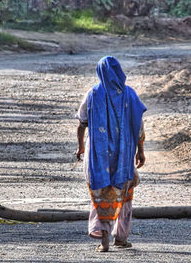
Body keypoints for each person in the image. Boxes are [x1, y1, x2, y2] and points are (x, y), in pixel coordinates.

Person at [75, 56, 146, 252]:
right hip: (123, 156)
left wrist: (81, 147)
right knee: (123, 194)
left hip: (98, 156)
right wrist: (140, 150)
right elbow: (138, 126)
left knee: (102, 192)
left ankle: (103, 237)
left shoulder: (92, 94)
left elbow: (82, 124)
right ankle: (121, 238)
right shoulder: (130, 95)